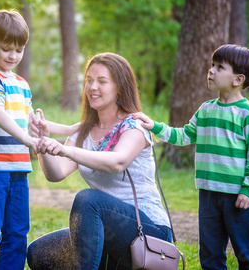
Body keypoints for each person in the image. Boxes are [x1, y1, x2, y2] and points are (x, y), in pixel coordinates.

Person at [26, 52, 172, 270]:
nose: (93, 87)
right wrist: (41, 141)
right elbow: (55, 174)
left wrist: (67, 151)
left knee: (89, 199)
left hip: (147, 233)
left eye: (102, 81)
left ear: (120, 88)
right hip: (106, 232)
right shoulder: (83, 132)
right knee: (39, 253)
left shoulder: (135, 126)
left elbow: (117, 161)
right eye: (89, 81)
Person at [134, 44, 249, 270]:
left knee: (247, 253)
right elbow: (183, 135)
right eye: (212, 65)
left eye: (220, 67)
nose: (211, 71)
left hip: (237, 196)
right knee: (210, 254)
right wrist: (154, 126)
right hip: (208, 195)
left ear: (238, 79)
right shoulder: (205, 109)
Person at [0, 9, 78, 270]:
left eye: (18, 50)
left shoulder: (21, 83)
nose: (12, 56)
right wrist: (29, 141)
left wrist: (73, 128)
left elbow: (33, 121)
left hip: (19, 167)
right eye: (6, 48)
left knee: (17, 232)